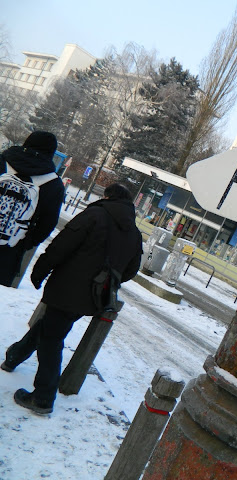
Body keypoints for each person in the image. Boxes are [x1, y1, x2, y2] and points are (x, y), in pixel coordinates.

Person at [1, 183, 143, 415]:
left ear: (108, 196)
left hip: (66, 288)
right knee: (51, 326)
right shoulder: (134, 234)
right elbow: (130, 270)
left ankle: (43, 398)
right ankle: (14, 356)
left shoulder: (94, 215)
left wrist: (40, 270)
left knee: (51, 338)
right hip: (95, 296)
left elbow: (61, 245)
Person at [0, 131, 65, 286]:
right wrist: (25, 242)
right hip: (9, 251)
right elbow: (48, 223)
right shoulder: (53, 183)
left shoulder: (2, 162)